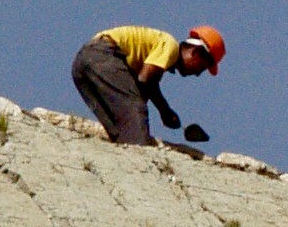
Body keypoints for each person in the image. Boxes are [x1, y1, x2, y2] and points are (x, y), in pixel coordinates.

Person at [72, 24, 225, 148]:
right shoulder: (170, 46)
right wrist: (164, 110)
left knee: (118, 125)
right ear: (196, 52)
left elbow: (143, 85)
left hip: (82, 63)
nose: (198, 74)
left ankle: (124, 154)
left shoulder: (155, 54)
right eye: (202, 67)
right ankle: (138, 160)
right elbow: (145, 80)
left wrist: (164, 110)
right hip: (102, 56)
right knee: (135, 108)